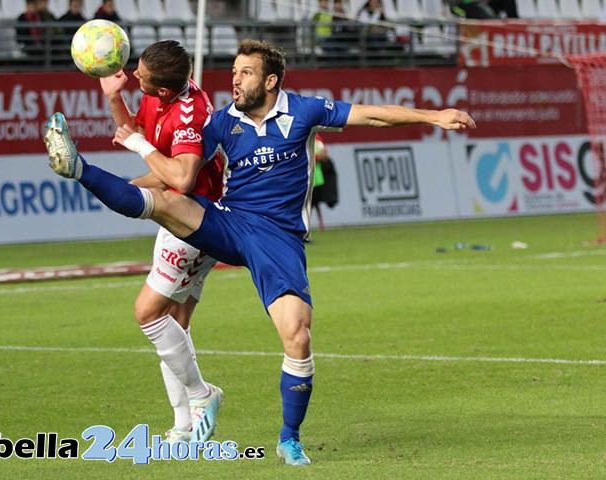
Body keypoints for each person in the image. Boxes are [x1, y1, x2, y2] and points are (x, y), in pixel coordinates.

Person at [43, 39, 476, 465]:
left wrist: (433, 116)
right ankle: (79, 169)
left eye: (244, 73)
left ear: (270, 81)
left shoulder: (304, 111)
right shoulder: (220, 123)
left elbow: (372, 116)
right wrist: (111, 179)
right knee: (169, 204)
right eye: (233, 72)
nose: (234, 80)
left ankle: (289, 439)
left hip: (277, 237)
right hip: (229, 221)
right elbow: (176, 176)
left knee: (297, 333)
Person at [96, 40, 225, 443]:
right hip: (178, 212)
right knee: (177, 327)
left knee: (149, 313)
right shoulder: (162, 97)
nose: (134, 75)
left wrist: (139, 147)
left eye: (141, 77)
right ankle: (184, 426)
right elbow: (135, 132)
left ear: (164, 90)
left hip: (195, 219)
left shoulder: (190, 113)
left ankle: (203, 394)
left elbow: (183, 176)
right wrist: (114, 98)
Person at [311, 134, 338, 232]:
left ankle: (320, 223)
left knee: (315, 201)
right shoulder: (304, 136)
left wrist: (321, 156)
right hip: (307, 174)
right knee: (309, 202)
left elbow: (324, 152)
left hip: (317, 174)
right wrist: (318, 157)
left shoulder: (317, 138)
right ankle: (307, 224)